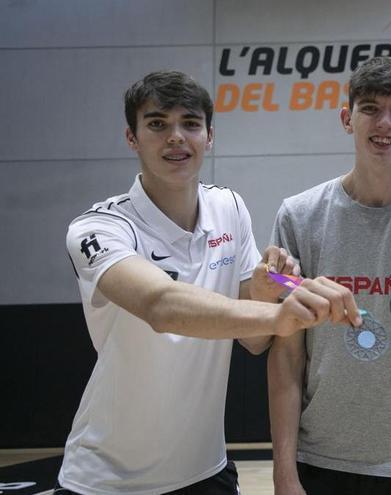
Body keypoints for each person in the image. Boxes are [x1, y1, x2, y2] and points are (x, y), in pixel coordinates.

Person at [58, 70, 358, 494]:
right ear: (132, 137)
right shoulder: (99, 228)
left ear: (209, 136)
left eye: (190, 123)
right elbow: (161, 307)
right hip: (106, 480)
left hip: (206, 473)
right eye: (158, 123)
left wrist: (268, 288)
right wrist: (278, 314)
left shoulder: (228, 207)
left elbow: (252, 338)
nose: (176, 137)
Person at [265, 56, 391, 495]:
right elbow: (286, 355)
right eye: (370, 109)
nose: (385, 123)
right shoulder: (299, 216)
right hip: (319, 456)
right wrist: (283, 473)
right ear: (347, 119)